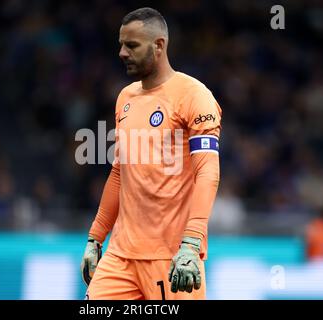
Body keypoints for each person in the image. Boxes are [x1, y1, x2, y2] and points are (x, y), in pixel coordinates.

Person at [80, 7, 222, 300]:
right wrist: (95, 238)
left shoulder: (194, 95)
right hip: (120, 257)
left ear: (159, 46)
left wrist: (191, 244)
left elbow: (207, 172)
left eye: (131, 45)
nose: (122, 52)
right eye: (121, 44)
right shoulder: (125, 98)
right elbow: (120, 172)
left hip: (171, 257)